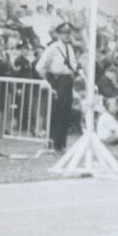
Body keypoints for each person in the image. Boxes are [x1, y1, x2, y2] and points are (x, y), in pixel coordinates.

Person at [36, 20, 78, 153]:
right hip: (57, 80)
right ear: (58, 34)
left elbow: (73, 65)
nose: (67, 35)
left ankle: (61, 143)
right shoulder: (53, 47)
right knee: (55, 112)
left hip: (67, 81)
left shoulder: (70, 48)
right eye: (64, 33)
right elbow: (40, 67)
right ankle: (52, 142)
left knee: (65, 112)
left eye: (69, 33)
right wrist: (49, 80)